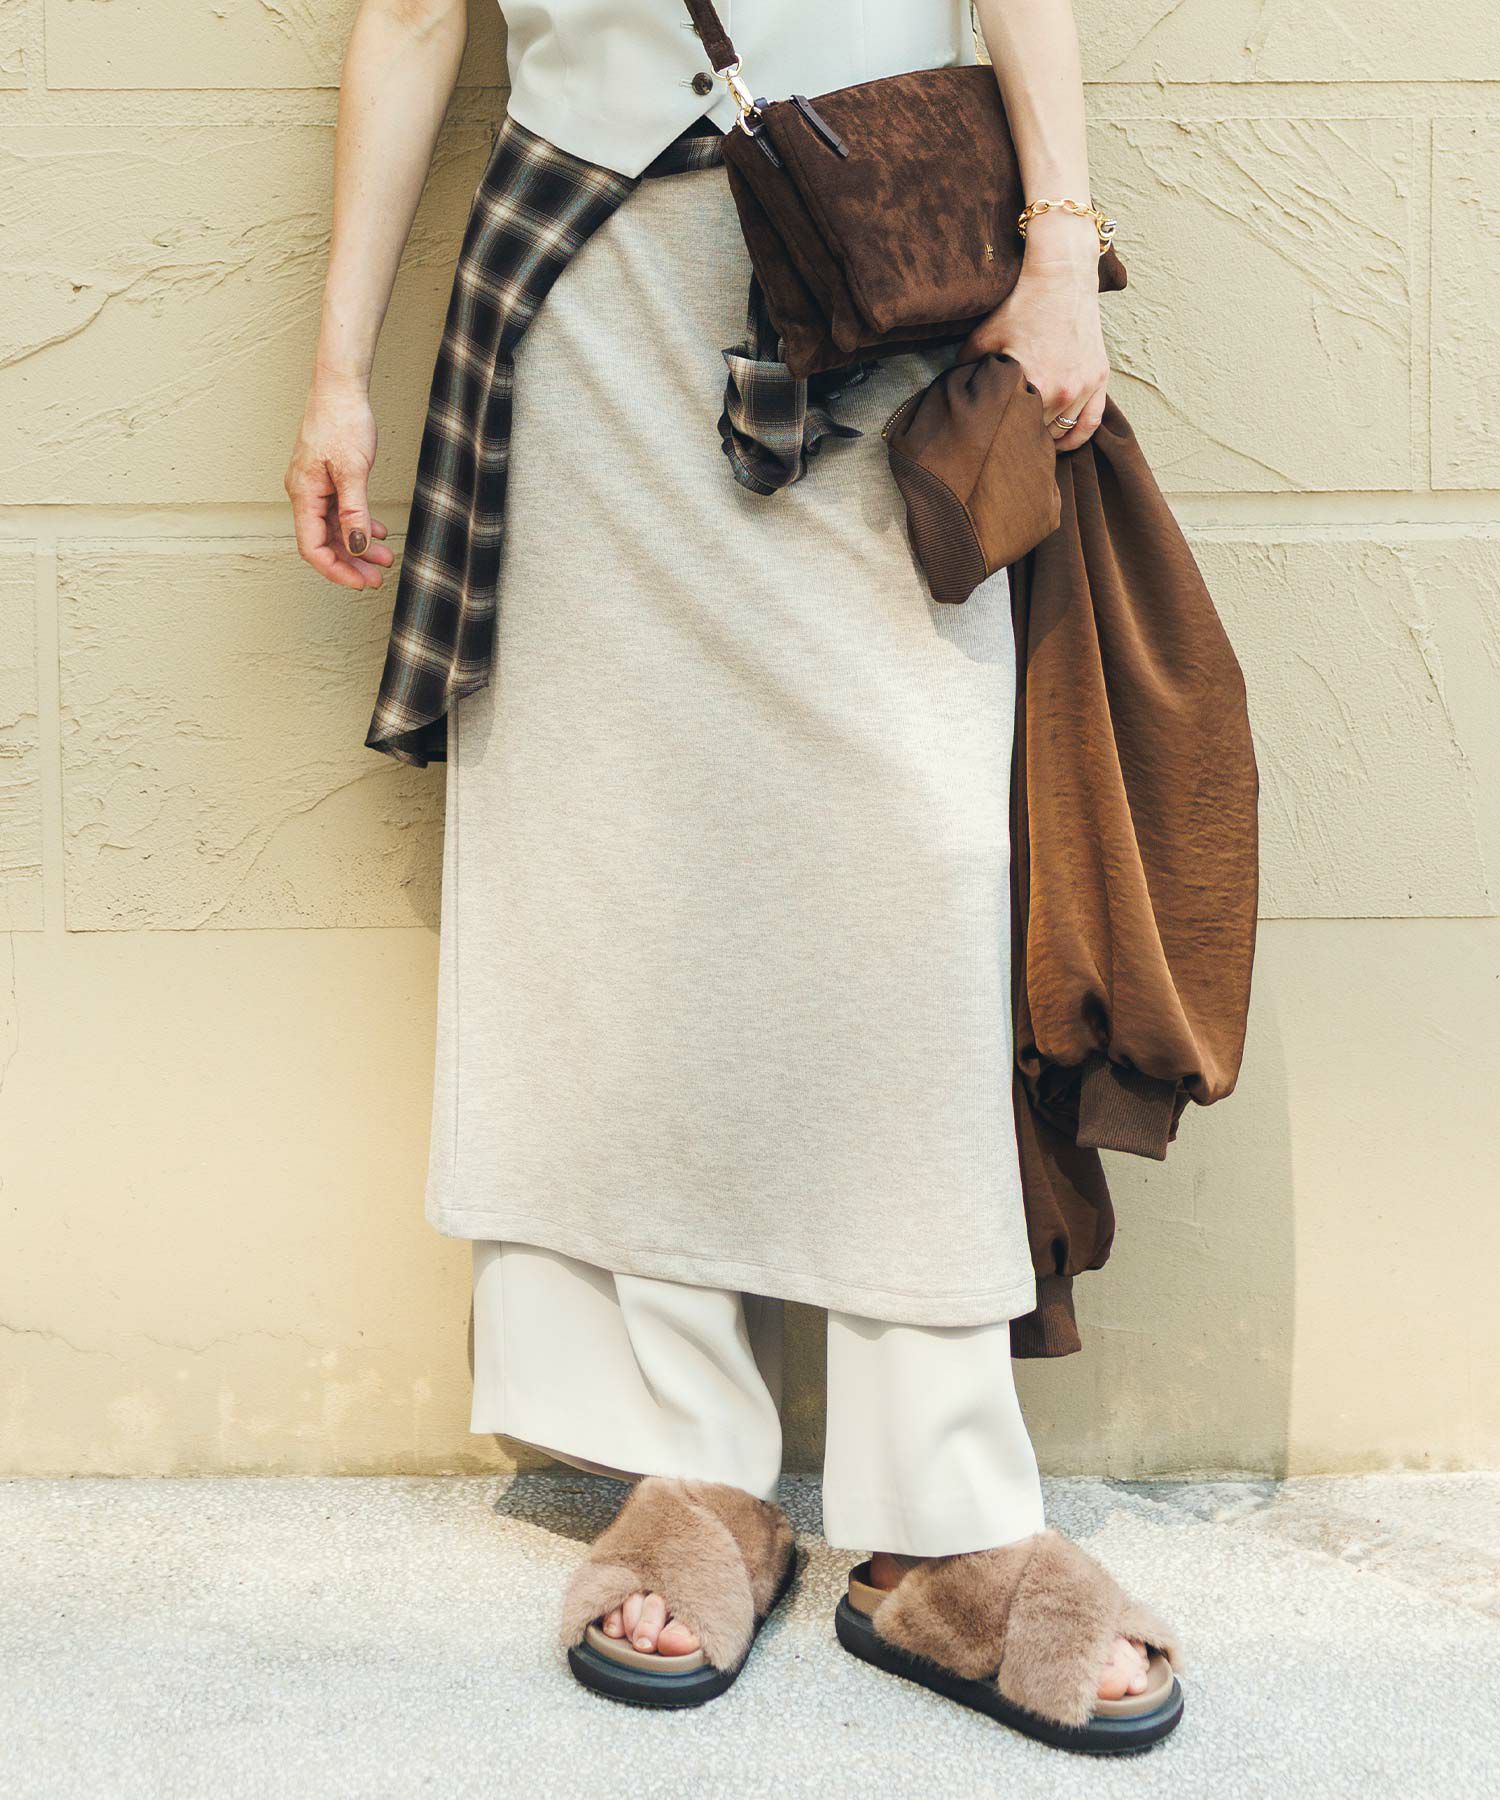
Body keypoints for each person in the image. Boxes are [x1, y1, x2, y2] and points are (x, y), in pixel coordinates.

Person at [286, 0, 1183, 1751]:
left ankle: (947, 1516)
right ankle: (694, 1469)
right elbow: (407, 16)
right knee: (631, 882)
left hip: (880, 262)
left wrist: (1062, 244)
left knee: (918, 883)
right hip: (588, 287)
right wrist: (336, 374)